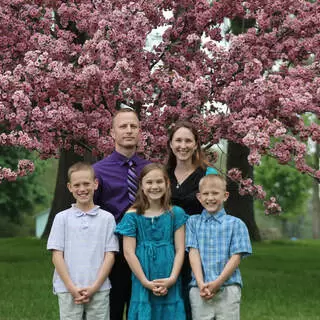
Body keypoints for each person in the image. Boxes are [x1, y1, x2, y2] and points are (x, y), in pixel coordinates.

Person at [93, 106, 150, 320]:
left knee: (142, 311)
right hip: (113, 252)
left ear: (139, 132)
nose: (128, 130)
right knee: (113, 310)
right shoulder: (98, 171)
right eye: (123, 126)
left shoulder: (150, 169)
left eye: (133, 126)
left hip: (145, 250)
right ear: (112, 133)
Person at [115, 163, 188, 320]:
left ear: (167, 184)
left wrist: (172, 279)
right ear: (141, 185)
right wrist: (145, 281)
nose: (154, 186)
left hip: (169, 275)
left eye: (159, 182)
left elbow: (180, 249)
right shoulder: (132, 216)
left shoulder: (176, 213)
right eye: (149, 182)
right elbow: (128, 252)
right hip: (143, 278)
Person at [47, 162, 119, 320]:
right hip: (67, 288)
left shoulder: (107, 219)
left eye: (86, 183)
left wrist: (95, 287)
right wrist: (71, 288)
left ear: (95, 184)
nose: (82, 189)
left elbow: (110, 255)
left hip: (99, 288)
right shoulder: (62, 218)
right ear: (69, 187)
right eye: (77, 185)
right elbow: (57, 255)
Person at [166, 121, 218, 319]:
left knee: (196, 301)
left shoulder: (208, 174)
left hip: (200, 247)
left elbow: (216, 209)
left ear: (196, 144)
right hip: (169, 246)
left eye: (188, 140)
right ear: (170, 144)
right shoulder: (163, 175)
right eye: (178, 140)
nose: (183, 145)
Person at [186, 174, 252, 320]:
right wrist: (200, 282)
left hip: (228, 287)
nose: (210, 198)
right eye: (206, 194)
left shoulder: (236, 224)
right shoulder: (192, 222)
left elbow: (236, 257)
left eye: (215, 193)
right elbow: (193, 252)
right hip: (199, 289)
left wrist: (218, 283)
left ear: (225, 195)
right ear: (199, 197)